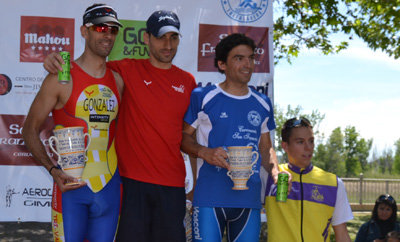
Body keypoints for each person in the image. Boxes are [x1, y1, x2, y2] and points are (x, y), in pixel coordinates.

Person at [23, 4, 124, 241]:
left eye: (113, 29)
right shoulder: (60, 78)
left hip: (110, 188)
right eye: (100, 27)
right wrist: (53, 170)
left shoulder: (119, 80)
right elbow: (29, 130)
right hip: (71, 191)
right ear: (84, 31)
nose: (107, 34)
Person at [181, 33, 279, 242]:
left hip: (248, 200)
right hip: (209, 197)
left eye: (251, 58)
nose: (248, 64)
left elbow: (266, 149)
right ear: (222, 64)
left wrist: (276, 171)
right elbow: (183, 138)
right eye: (239, 58)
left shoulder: (262, 102)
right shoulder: (203, 96)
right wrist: (204, 152)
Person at [264, 117, 353, 242]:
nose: (308, 147)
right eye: (300, 142)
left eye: (311, 141)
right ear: (285, 145)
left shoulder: (333, 183)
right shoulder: (271, 177)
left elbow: (342, 235)